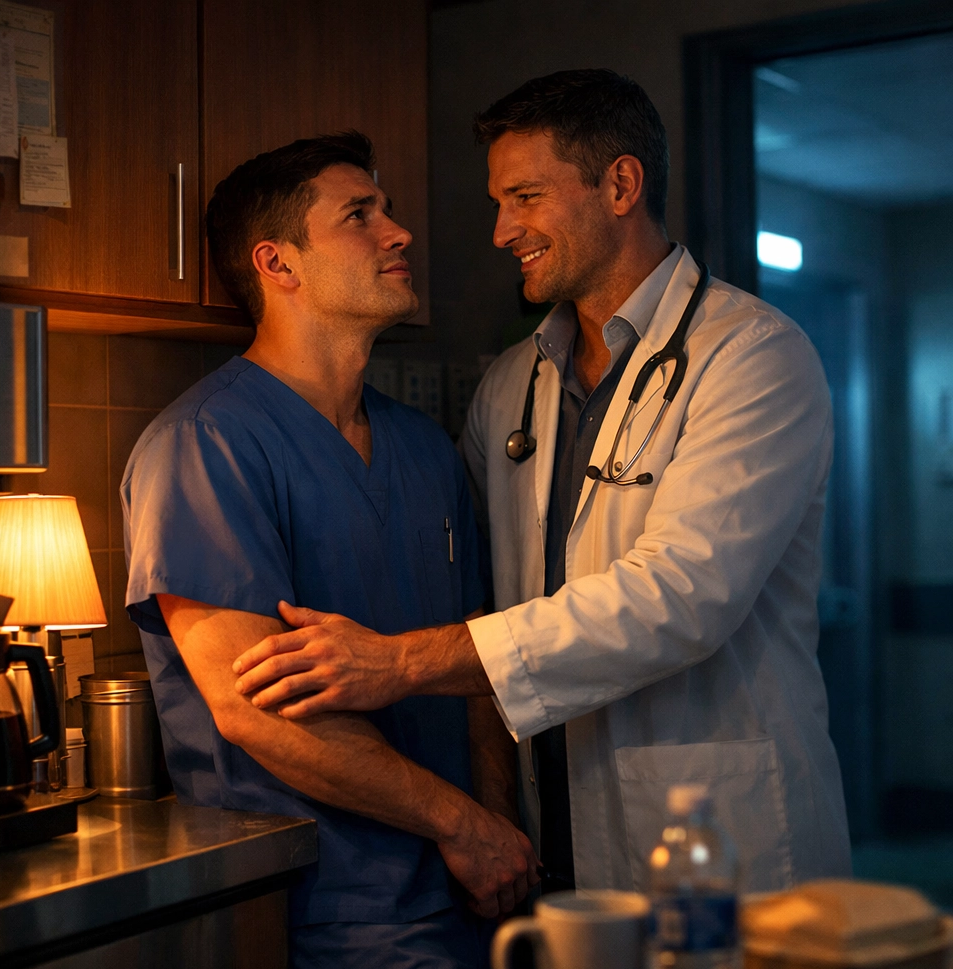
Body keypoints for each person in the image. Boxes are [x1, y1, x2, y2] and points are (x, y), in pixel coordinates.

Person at [229, 71, 853, 894]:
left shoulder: (753, 358)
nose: (499, 231)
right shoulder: (514, 386)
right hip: (550, 833)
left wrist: (402, 663)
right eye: (499, 202)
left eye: (524, 198)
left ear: (620, 184)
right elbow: (489, 593)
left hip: (715, 835)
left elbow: (684, 596)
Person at [121, 131, 538, 969]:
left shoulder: (425, 451)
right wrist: (462, 826)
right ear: (279, 263)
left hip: (481, 887)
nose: (399, 234)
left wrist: (495, 831)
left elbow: (475, 664)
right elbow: (250, 706)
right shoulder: (205, 446)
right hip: (335, 909)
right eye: (361, 214)